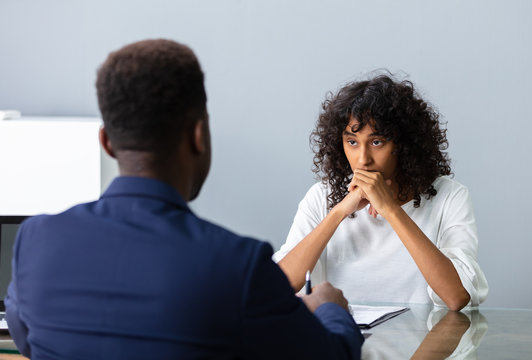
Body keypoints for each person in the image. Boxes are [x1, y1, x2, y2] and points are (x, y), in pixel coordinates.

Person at [5, 39, 362, 359]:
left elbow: (26, 341)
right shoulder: (238, 265)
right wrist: (329, 308)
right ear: (198, 135)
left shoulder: (35, 240)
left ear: (107, 142)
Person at [274, 74, 488, 311]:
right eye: (352, 142)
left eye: (377, 142)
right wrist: (338, 213)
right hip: (343, 343)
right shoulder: (321, 196)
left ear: (403, 145)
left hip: (425, 344)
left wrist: (391, 209)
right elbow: (279, 286)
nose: (363, 159)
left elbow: (457, 296)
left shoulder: (449, 197)